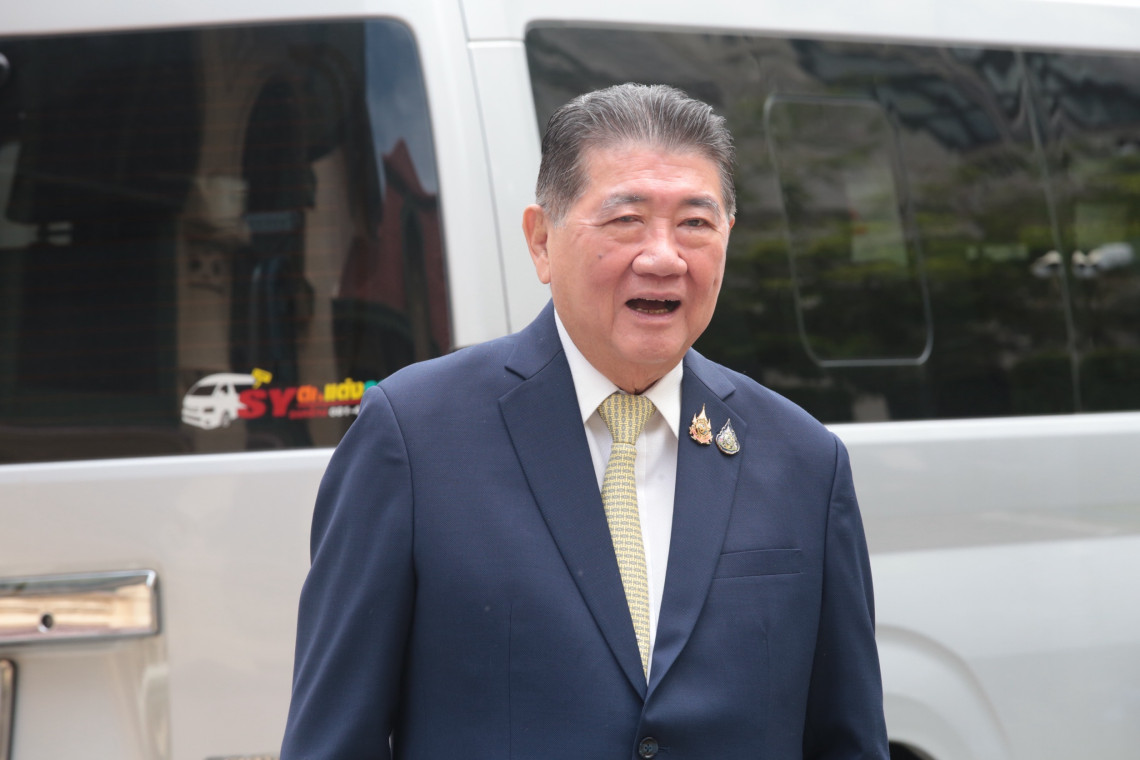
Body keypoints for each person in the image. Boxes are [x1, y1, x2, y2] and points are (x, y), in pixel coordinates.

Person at [281, 83, 888, 759]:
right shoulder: (414, 437)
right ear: (542, 240)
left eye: (695, 223)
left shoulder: (805, 460)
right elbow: (334, 739)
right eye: (626, 220)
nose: (663, 257)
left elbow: (848, 738)